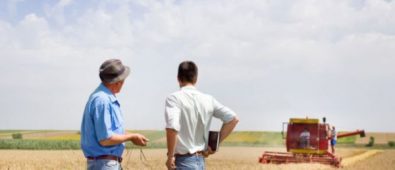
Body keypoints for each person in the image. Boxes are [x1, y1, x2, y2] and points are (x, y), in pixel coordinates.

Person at [164, 61, 239, 170]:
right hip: (200, 162)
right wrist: (213, 146)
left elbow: (172, 128)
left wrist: (170, 157)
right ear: (196, 79)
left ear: (178, 78)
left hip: (183, 162)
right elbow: (233, 119)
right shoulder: (208, 99)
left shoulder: (174, 98)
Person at [81, 59, 149, 170]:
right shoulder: (103, 100)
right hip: (104, 164)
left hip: (104, 164)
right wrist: (131, 137)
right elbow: (105, 138)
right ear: (118, 82)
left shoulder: (102, 97)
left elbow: (110, 131)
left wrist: (133, 136)